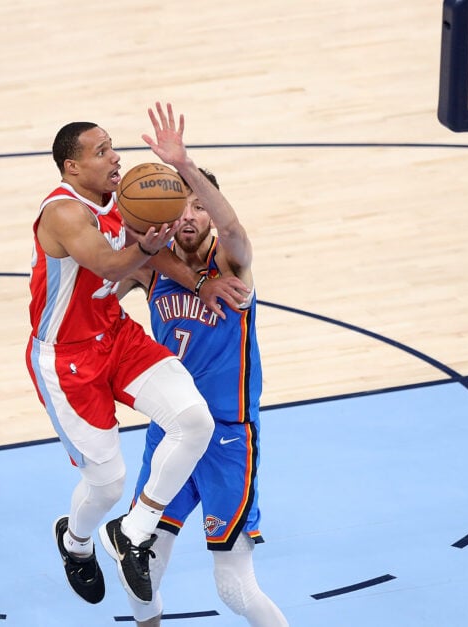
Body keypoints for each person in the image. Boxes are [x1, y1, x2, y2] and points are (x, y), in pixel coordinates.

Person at [26, 110, 251, 607]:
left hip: (115, 335)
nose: (116, 157)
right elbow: (110, 263)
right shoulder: (64, 213)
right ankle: (75, 541)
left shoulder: (118, 197)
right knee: (107, 484)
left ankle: (132, 530)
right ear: (72, 167)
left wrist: (198, 282)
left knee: (193, 421)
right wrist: (149, 244)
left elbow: (149, 253)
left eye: (112, 147)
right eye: (102, 151)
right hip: (66, 358)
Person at [116, 103, 289, 626]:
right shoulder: (151, 269)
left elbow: (233, 225)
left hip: (227, 436)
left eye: (198, 206)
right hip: (170, 431)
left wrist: (183, 165)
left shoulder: (233, 264)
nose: (189, 216)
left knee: (233, 585)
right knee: (140, 568)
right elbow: (98, 288)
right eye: (181, 206)